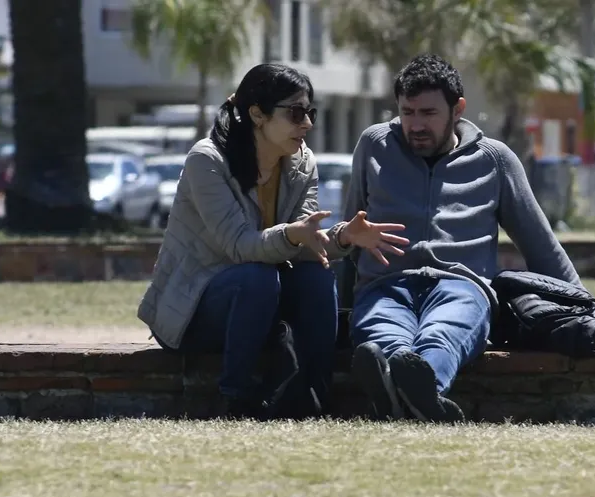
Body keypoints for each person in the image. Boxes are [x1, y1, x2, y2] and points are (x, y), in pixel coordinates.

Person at [137, 63, 407, 420]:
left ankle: (314, 395)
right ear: (257, 114)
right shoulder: (207, 161)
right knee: (256, 277)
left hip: (262, 300)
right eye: (296, 113)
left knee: (315, 279)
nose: (307, 124)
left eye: (310, 113)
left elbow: (306, 241)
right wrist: (293, 234)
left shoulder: (302, 162)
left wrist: (343, 237)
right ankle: (235, 399)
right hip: (194, 309)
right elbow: (240, 246)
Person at [344, 54, 585, 423]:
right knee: (384, 336)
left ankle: (400, 396)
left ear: (458, 110)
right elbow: (352, 228)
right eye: (407, 112)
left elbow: (539, 242)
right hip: (384, 284)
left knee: (443, 333)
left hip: (461, 287)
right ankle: (417, 402)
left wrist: (585, 309)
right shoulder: (375, 144)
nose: (415, 125)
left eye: (428, 113)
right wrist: (338, 299)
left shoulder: (494, 159)